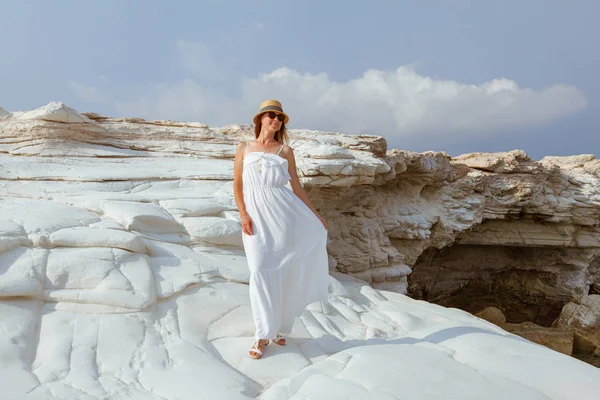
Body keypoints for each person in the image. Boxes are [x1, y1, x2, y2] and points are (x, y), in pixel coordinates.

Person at [233, 100, 329, 359]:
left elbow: (296, 187)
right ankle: (263, 332)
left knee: (282, 270)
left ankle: (274, 330)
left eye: (281, 118)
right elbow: (238, 183)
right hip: (255, 216)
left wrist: (314, 214)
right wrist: (243, 214)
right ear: (261, 118)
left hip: (282, 215)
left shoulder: (285, 151)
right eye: (272, 115)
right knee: (259, 269)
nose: (276, 120)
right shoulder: (244, 147)